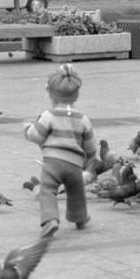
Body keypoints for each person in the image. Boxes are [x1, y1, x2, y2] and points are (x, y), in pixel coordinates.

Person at [24, 63, 96, 238]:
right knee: (76, 190)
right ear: (76, 95)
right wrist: (89, 164)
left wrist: (28, 129)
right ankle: (80, 218)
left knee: (48, 190)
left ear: (50, 93)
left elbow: (37, 136)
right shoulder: (83, 119)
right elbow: (90, 146)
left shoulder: (48, 115)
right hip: (74, 165)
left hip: (52, 163)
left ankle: (50, 220)